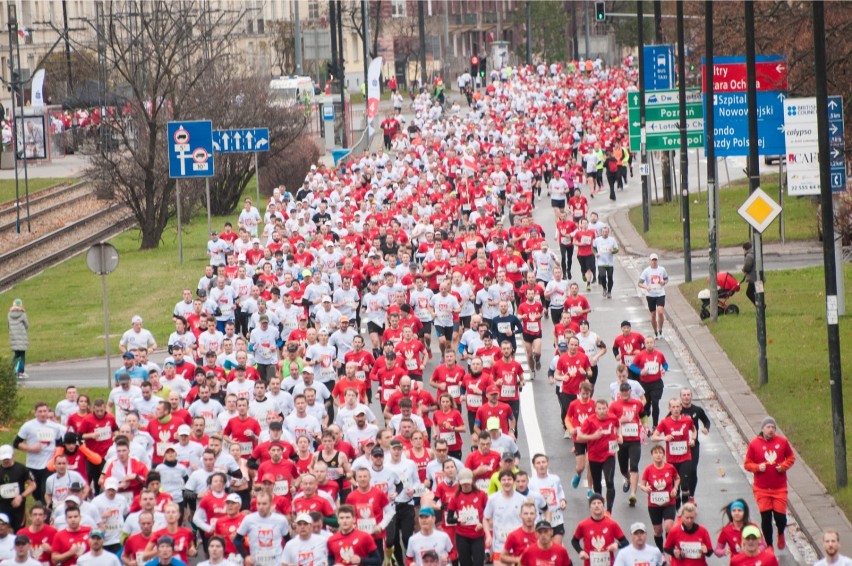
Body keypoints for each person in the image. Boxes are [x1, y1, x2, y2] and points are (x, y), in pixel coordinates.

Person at [744, 416, 795, 550]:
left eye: (773, 427)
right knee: (766, 518)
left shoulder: (782, 442)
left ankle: (781, 532)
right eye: (768, 427)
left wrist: (784, 466)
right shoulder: (754, 444)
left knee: (780, 518)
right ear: (762, 429)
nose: (771, 430)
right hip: (761, 489)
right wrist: (757, 467)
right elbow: (747, 464)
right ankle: (770, 546)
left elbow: (791, 457)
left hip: (779, 488)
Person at [638, 254, 668, 339]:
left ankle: (661, 330)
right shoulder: (646, 271)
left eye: (655, 260)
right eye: (652, 260)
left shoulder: (662, 269)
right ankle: (655, 331)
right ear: (650, 261)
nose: (654, 262)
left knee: (660, 311)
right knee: (653, 315)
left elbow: (666, 279)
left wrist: (664, 282)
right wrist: (646, 287)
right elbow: (639, 283)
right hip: (650, 295)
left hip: (660, 293)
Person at [7, 299, 28, 380]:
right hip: (22, 336)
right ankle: (20, 372)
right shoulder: (23, 314)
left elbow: (8, 325)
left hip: (13, 337)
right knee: (22, 355)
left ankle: (10, 371)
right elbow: (26, 325)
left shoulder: (9, 314)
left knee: (16, 355)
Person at [741, 241, 757, 306]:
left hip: (753, 278)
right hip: (759, 277)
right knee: (758, 293)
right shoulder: (755, 253)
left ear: (745, 249)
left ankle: (759, 305)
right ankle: (760, 305)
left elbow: (747, 266)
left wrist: (744, 270)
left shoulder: (749, 256)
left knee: (749, 293)